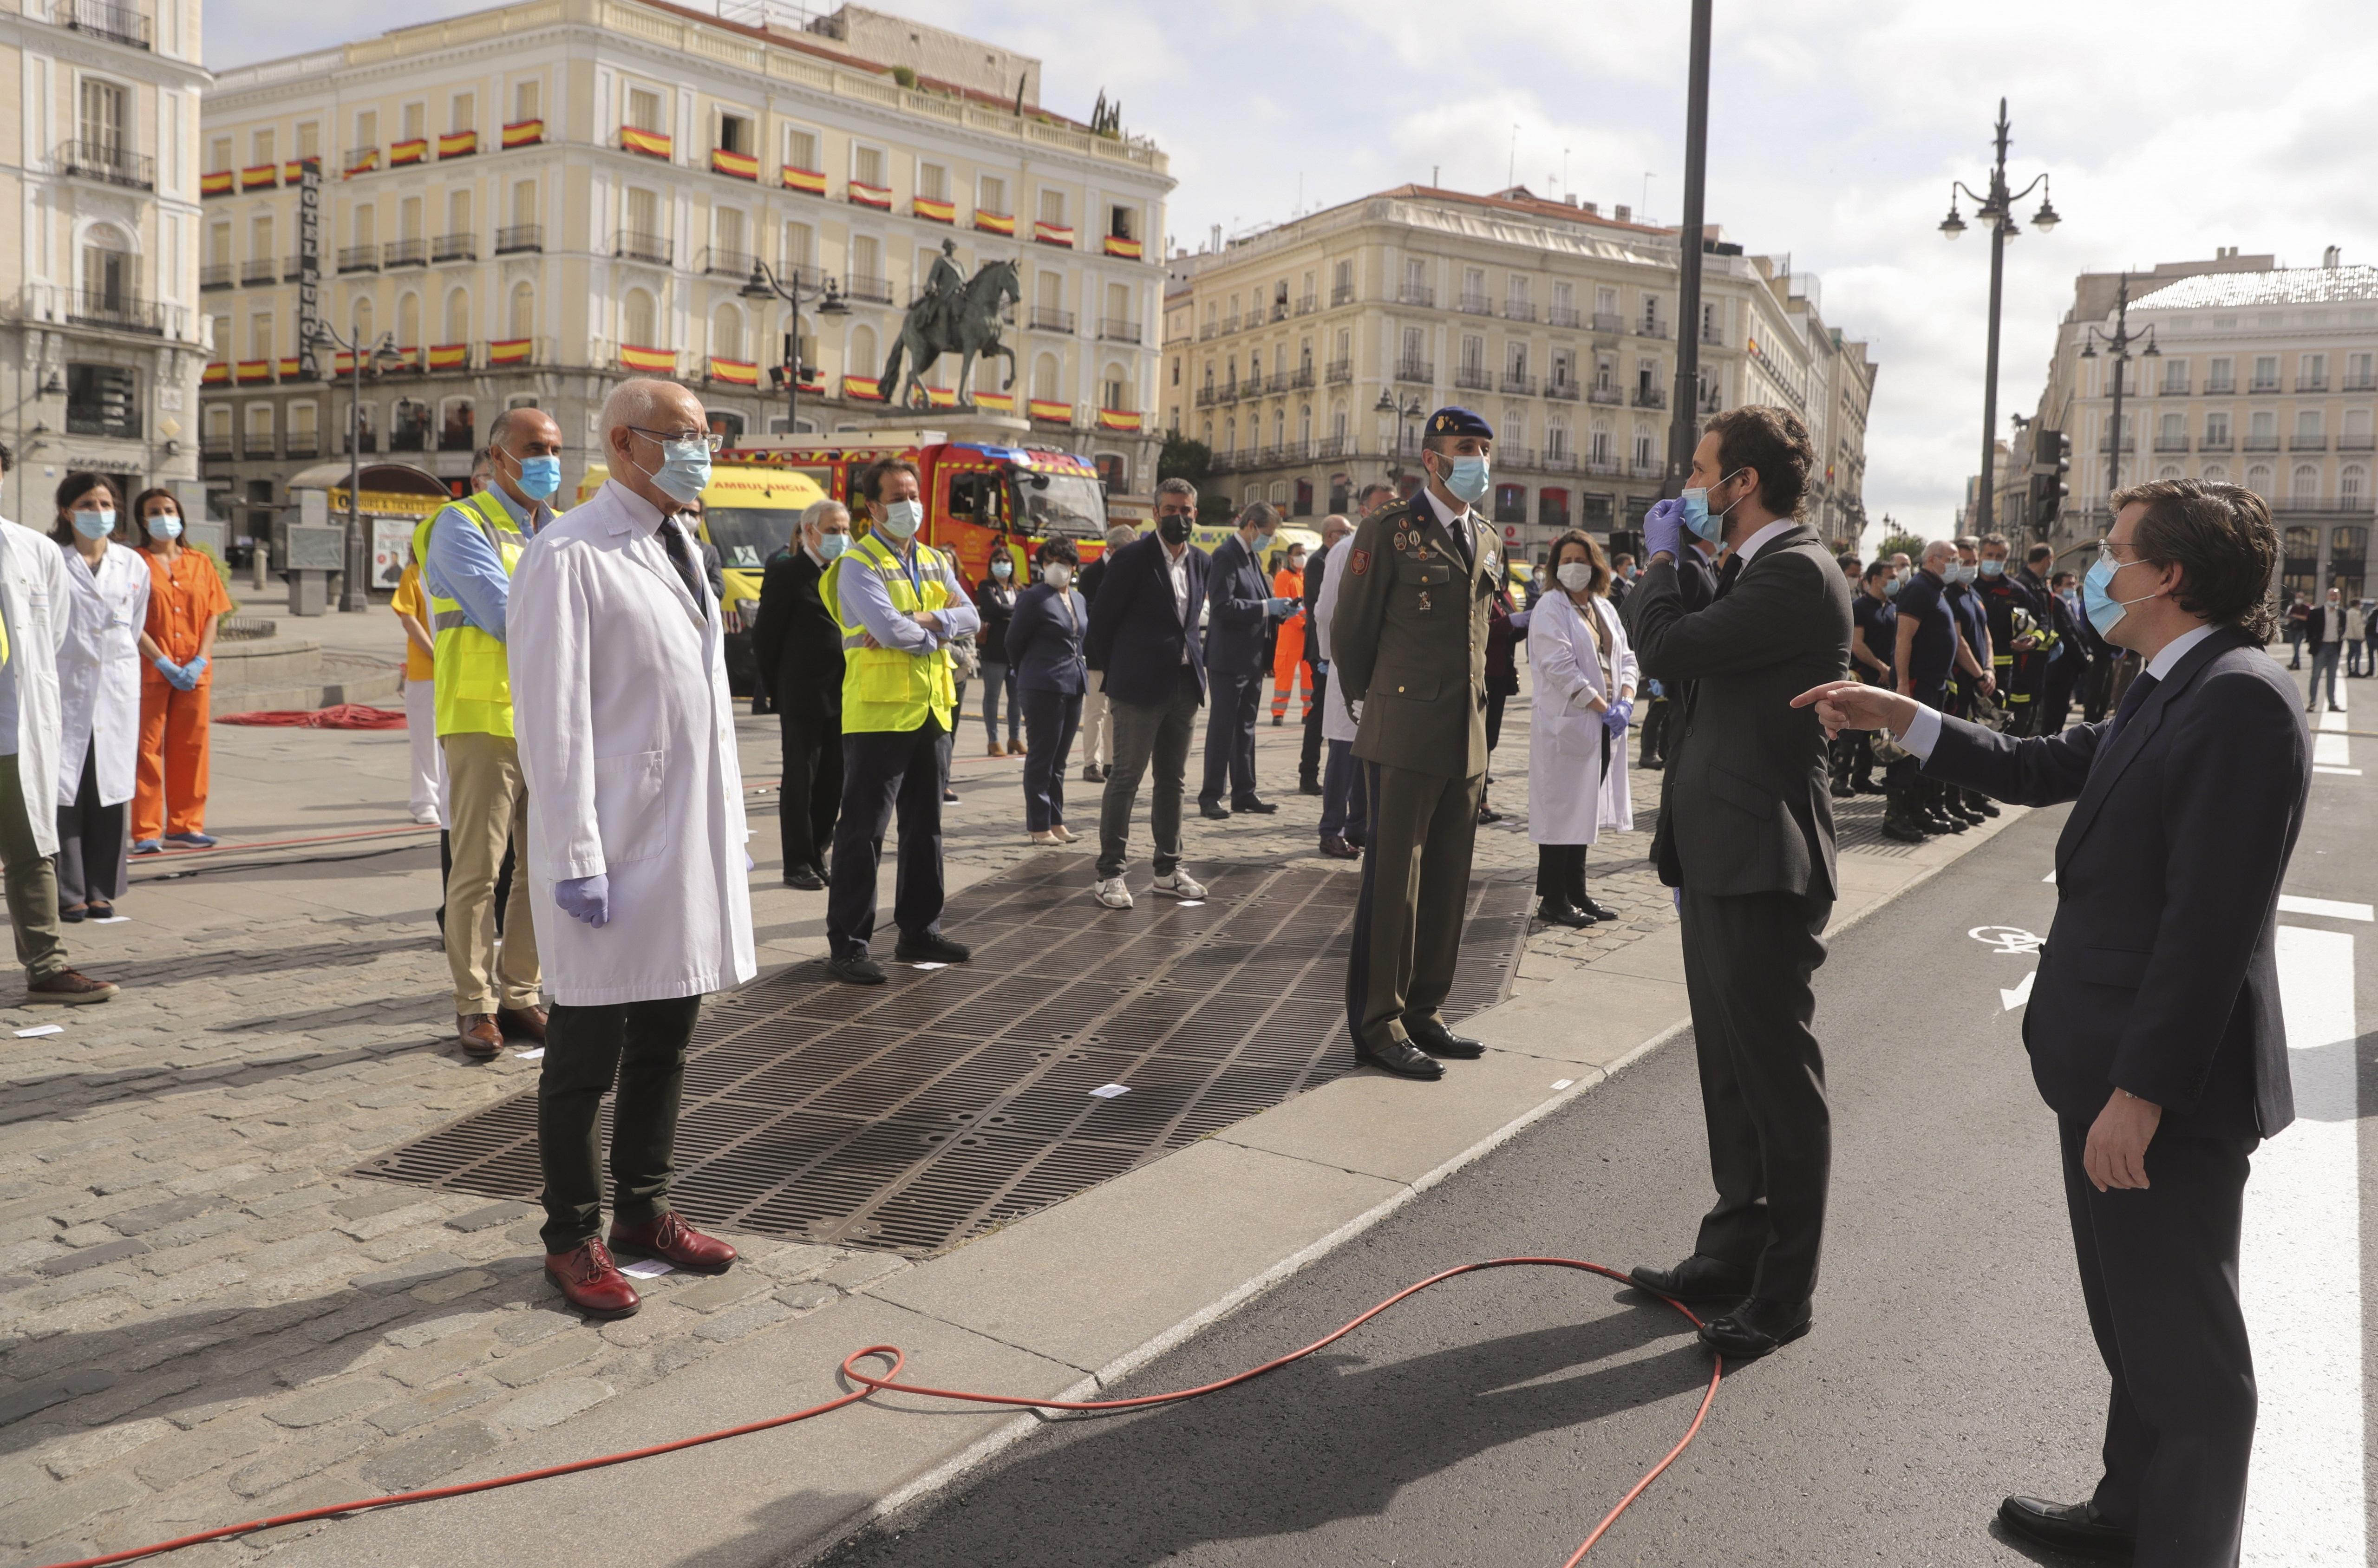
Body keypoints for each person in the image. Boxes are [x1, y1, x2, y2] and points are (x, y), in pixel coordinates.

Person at [1799, 479, 2306, 1568]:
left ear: (2167, 576)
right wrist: (1906, 716)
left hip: (2157, 1089)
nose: (2097, 571)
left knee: (2189, 1360)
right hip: (2104, 1066)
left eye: (2115, 552)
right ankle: (2128, 1516)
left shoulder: (2239, 699)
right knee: (2135, 1331)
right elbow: (2042, 767)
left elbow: (2208, 928)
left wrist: (2141, 1093)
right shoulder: (2168, 683)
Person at [507, 377, 753, 1321]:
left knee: (667, 1038)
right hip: (610, 841)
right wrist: (573, 853)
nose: (702, 453)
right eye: (684, 437)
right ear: (624, 443)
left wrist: (729, 831)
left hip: (680, 836)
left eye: (707, 438)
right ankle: (571, 1231)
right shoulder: (568, 554)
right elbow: (553, 720)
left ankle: (644, 1211)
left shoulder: (682, 540)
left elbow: (704, 716)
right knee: (583, 1053)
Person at [1621, 404, 1851, 1362]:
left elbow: (1667, 650)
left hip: (1761, 855)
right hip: (1724, 848)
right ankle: (1733, 1246)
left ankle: (1783, 1289)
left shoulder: (1796, 572)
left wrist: (1663, 565)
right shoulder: (1758, 570)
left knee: (1774, 1079)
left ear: (1740, 483)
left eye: (1701, 469)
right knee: (1729, 1070)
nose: (1689, 484)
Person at [1332, 405, 1503, 1082]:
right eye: (1467, 448)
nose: (1479, 462)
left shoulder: (1486, 537)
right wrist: (1382, 704)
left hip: (1467, 736)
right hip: (1404, 730)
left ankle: (1426, 1010)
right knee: (1393, 886)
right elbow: (1351, 636)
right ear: (1432, 460)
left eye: (1486, 451)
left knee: (1447, 882)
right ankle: (1379, 1024)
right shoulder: (1389, 531)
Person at [419, 405, 563, 1058]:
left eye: (555, 448)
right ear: (497, 458)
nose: (547, 461)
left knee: (542, 867)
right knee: (480, 869)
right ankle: (473, 1004)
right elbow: (507, 616)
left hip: (551, 716)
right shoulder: (460, 522)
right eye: (535, 448)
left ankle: (521, 993)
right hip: (482, 714)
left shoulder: (562, 532)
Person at [822, 457, 979, 985]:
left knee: (924, 829)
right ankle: (848, 945)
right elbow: (888, 634)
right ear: (872, 507)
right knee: (863, 832)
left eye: (913, 494)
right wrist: (938, 630)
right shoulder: (857, 563)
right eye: (897, 496)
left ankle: (918, 931)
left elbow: (972, 616)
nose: (909, 505)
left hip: (933, 709)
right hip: (878, 714)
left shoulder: (934, 560)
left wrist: (920, 620)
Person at [0, 446, 116, 1003]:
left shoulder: (34, 550)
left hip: (14, 726)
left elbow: (56, 631)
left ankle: (48, 966)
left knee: (30, 850)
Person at [1085, 479, 1210, 909]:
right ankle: (1110, 873)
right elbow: (1100, 624)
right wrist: (1120, 673)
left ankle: (1167, 869)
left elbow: (1190, 623)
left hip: (1184, 685)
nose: (1182, 518)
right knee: (1126, 779)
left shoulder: (1202, 562)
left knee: (1172, 782)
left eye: (1188, 510)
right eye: (1173, 509)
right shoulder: (1133, 559)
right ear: (1155, 514)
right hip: (1138, 688)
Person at [53, 477, 149, 922]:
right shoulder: (53, 559)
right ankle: (68, 889)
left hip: (114, 689)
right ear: (68, 512)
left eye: (106, 502)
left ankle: (100, 889)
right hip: (65, 686)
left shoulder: (133, 565)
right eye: (88, 503)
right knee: (64, 790)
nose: (99, 510)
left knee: (108, 790)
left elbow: (133, 626)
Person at [1528, 529, 1634, 927]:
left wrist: (1625, 699)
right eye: (1566, 561)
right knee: (1560, 813)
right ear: (1556, 567)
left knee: (1583, 810)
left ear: (1596, 565)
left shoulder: (1602, 607)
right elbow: (1559, 668)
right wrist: (1605, 706)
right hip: (1570, 726)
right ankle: (1553, 899)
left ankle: (1577, 892)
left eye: (1582, 560)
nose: (1574, 567)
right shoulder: (1550, 608)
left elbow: (1626, 657)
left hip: (1602, 726)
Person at [751, 499, 849, 890]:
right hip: (802, 696)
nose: (841, 537)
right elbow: (765, 638)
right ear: (810, 531)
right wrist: (779, 690)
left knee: (834, 780)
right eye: (833, 530)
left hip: (844, 695)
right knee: (801, 780)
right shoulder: (788, 574)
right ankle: (797, 862)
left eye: (845, 530)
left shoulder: (846, 573)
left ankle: (819, 853)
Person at [128, 489, 227, 856]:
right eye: (154, 511)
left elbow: (214, 613)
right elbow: (130, 619)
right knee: (146, 750)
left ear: (180, 515)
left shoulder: (200, 562)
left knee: (192, 748)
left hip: (196, 672)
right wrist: (162, 661)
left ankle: (186, 826)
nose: (163, 516)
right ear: (142, 520)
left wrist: (201, 658)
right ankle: (146, 830)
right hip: (151, 670)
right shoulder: (134, 562)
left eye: (169, 510)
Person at [1198, 502, 1298, 818]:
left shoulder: (1251, 556)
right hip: (1228, 658)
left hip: (1251, 658)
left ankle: (1244, 792)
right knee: (1223, 728)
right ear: (1252, 525)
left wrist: (1280, 612)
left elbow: (1257, 603)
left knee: (1246, 727)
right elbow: (1223, 607)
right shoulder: (1226, 555)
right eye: (1267, 534)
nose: (1268, 539)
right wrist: (1269, 607)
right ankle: (1211, 795)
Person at [1008, 538, 1088, 845]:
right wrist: (1029, 670)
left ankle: (1056, 821)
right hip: (1042, 684)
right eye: (1049, 561)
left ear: (1073, 567)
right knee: (1042, 756)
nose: (1056, 567)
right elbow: (1014, 642)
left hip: (1074, 683)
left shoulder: (1078, 599)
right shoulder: (1034, 598)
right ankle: (1039, 825)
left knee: (1060, 759)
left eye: (1063, 562)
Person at [1884, 540, 1965, 843]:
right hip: (1917, 685)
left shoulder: (1934, 589)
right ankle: (1895, 817)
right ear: (1933, 559)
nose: (1956, 564)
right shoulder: (1919, 588)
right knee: (1906, 753)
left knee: (1923, 751)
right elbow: (1903, 640)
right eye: (1952, 558)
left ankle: (1917, 810)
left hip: (1934, 685)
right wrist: (1903, 685)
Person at [1312, 506, 1368, 860]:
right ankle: (1332, 830)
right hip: (1348, 666)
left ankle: (1359, 827)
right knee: (1346, 750)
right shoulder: (1345, 551)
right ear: (1364, 510)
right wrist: (1328, 656)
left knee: (1368, 751)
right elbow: (1325, 611)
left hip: (1379, 668)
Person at [1076, 522, 1134, 784]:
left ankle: (1111, 761)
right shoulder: (1092, 574)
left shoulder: (1129, 571)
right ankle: (1091, 763)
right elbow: (1090, 612)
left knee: (1115, 713)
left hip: (1121, 654)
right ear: (1112, 549)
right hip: (1097, 653)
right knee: (1096, 712)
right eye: (1126, 550)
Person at [1300, 514, 1352, 793]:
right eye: (1344, 532)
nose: (1348, 535)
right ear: (1330, 535)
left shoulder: (1333, 556)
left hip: (1331, 649)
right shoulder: (1321, 561)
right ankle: (1308, 773)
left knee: (1328, 712)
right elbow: (1322, 610)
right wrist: (1323, 654)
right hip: (1321, 650)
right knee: (1319, 713)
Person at [391, 545, 442, 825]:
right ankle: (425, 801)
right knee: (425, 741)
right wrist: (435, 653)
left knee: (450, 743)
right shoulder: (413, 575)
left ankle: (447, 799)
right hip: (426, 671)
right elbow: (408, 619)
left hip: (458, 671)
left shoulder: (455, 573)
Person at [1835, 560, 1894, 797]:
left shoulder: (1892, 608)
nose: (1895, 580)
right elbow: (1857, 644)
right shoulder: (1860, 607)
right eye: (1889, 576)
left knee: (1875, 729)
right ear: (1875, 579)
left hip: (1885, 679)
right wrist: (1881, 667)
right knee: (1852, 731)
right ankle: (1840, 779)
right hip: (1863, 676)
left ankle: (1862, 778)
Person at [973, 546, 1021, 757]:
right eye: (998, 561)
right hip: (993, 649)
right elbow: (993, 609)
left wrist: (1009, 612)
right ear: (992, 565)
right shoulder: (986, 587)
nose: (1003, 564)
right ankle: (993, 740)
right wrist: (1015, 611)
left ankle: (1015, 738)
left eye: (1006, 560)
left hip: (1015, 650)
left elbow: (1026, 609)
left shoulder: (1019, 590)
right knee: (993, 695)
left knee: (1017, 697)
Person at [1268, 541, 1311, 725]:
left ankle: (1308, 711)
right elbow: (1285, 607)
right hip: (1290, 635)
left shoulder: (1305, 578)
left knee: (1309, 676)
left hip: (1306, 635)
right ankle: (1278, 712)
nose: (1302, 556)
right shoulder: (1283, 577)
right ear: (1290, 557)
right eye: (1299, 553)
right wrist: (1303, 624)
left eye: (1304, 552)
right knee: (1284, 675)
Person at [2304, 583, 2344, 714]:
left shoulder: (2341, 614)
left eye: (2336, 596)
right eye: (2332, 595)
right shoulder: (2317, 612)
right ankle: (2313, 702)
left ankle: (2332, 703)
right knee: (2316, 676)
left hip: (2335, 647)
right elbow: (2309, 628)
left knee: (2332, 677)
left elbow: (2342, 630)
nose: (2334, 598)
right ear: (2327, 597)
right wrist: (2312, 642)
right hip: (2321, 647)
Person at [2282, 590, 2310, 667]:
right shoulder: (2293, 607)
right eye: (2298, 597)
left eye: (2300, 597)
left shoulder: (2306, 607)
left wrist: (2296, 616)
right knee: (2295, 648)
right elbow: (2288, 618)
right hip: (2293, 630)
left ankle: (2296, 664)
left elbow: (2305, 618)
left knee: (2297, 647)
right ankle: (2296, 664)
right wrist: (2292, 618)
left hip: (2301, 631)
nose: (2299, 599)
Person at [2346, 593, 2370, 678]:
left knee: (2350, 654)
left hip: (2349, 636)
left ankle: (2349, 670)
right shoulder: (2356, 613)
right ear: (2357, 604)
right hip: (2356, 637)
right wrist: (2362, 637)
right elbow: (2358, 627)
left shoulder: (2348, 612)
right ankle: (2356, 671)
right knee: (2358, 654)